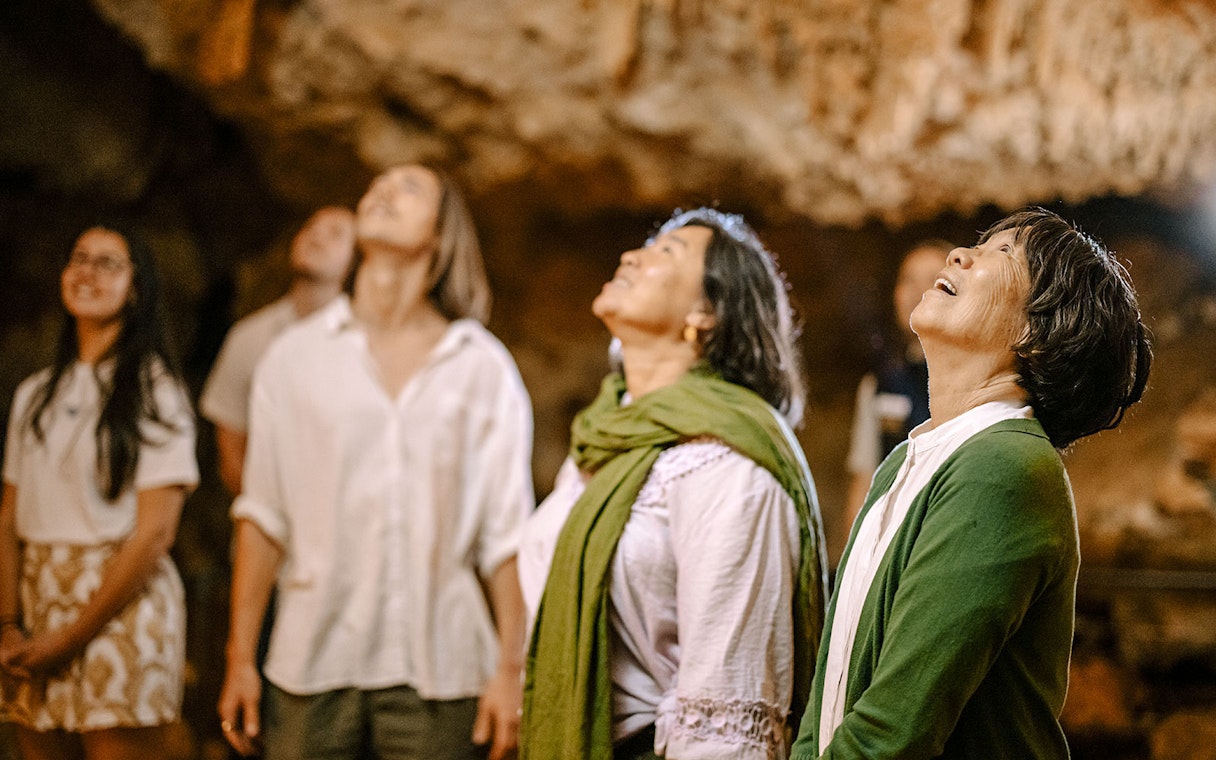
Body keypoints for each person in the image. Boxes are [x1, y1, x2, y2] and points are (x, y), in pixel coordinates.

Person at [792, 208, 1152, 759]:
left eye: (1003, 253)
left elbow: (893, 734)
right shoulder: (907, 461)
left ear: (1037, 329)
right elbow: (832, 691)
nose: (959, 254)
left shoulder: (1004, 467)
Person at [217, 164, 534, 760]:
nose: (384, 191)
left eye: (410, 189)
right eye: (376, 187)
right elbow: (262, 517)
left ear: (440, 237)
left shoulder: (480, 367)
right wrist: (240, 659)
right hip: (309, 663)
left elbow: (507, 535)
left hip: (445, 671)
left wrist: (509, 669)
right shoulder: (295, 357)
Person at [519, 208, 828, 760]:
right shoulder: (605, 438)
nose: (631, 256)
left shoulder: (726, 462)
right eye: (645, 244)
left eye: (667, 252)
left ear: (706, 313)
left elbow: (728, 708)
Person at [0, 224, 198, 759]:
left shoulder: (158, 394)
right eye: (78, 258)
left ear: (136, 289)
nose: (86, 271)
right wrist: (8, 623)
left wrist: (71, 637)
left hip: (118, 600)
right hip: (39, 595)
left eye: (108, 263)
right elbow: (9, 519)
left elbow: (155, 532)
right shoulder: (34, 394)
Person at [200, 205, 356, 496]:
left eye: (335, 234)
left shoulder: (367, 340)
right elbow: (232, 451)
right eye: (310, 227)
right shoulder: (249, 337)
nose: (317, 237)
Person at [843, 240, 951, 527]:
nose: (918, 291)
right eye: (908, 280)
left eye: (933, 280)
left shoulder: (977, 382)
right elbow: (865, 478)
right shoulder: (880, 384)